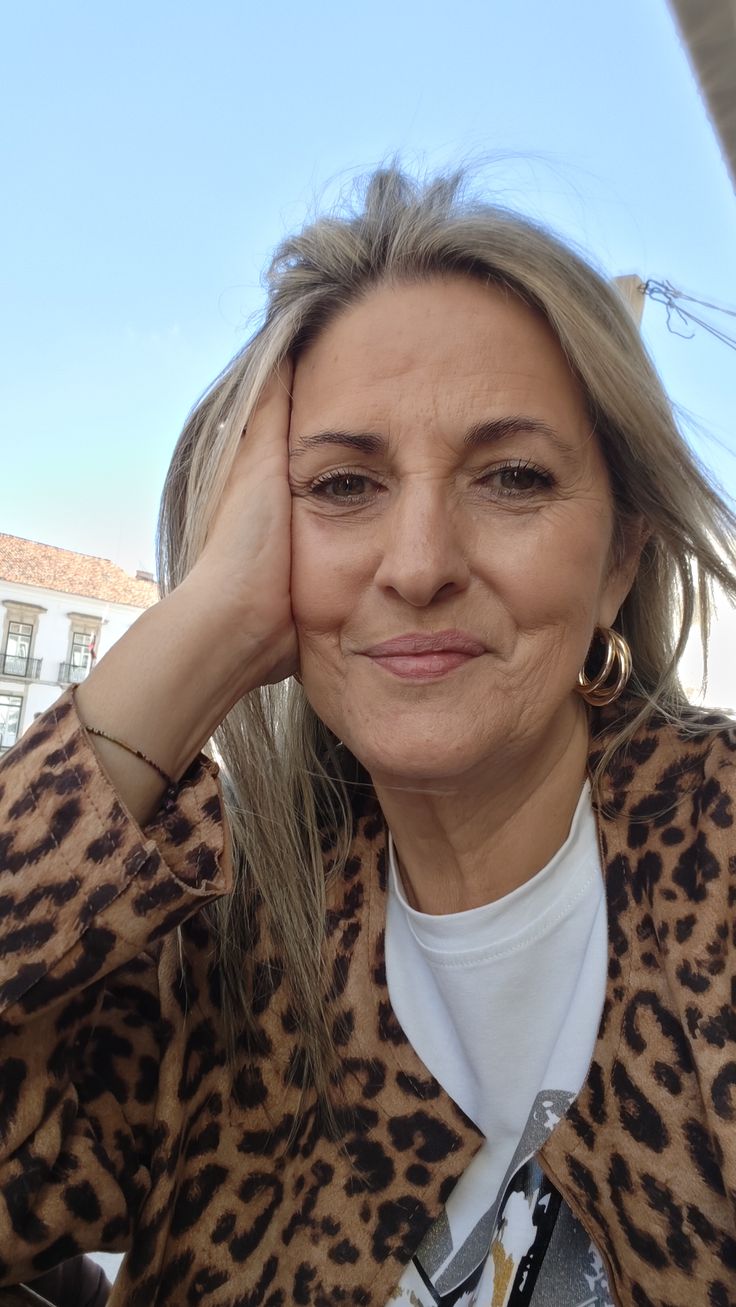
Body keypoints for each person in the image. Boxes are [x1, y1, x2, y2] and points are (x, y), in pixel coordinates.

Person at [1, 168, 735, 1307]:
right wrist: (202, 628)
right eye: (343, 485)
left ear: (619, 562)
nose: (420, 561)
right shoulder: (226, 960)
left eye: (513, 477)